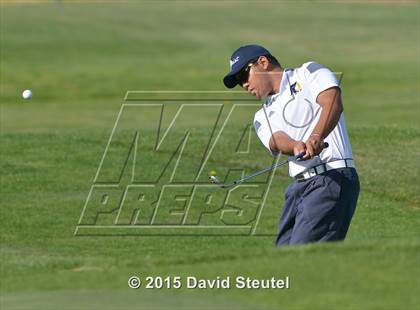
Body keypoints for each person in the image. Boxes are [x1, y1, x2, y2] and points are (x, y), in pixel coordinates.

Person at [222, 44, 360, 246]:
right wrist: (296, 146)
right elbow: (276, 140)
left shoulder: (309, 72)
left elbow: (332, 101)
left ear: (263, 62)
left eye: (243, 76)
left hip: (332, 178)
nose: (243, 85)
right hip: (300, 187)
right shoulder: (261, 116)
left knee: (302, 257)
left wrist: (316, 136)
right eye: (237, 82)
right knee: (284, 260)